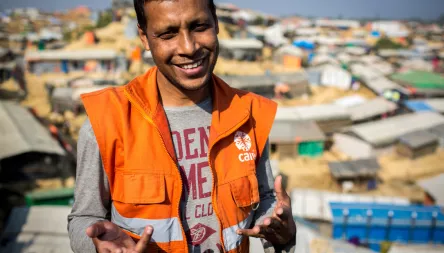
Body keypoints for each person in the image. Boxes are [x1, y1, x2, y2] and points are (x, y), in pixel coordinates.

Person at [67, 0, 296, 252]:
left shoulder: (246, 114)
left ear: (216, 23)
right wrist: (97, 246)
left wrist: (279, 232)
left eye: (199, 27)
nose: (189, 47)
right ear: (144, 37)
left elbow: (265, 201)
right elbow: (83, 218)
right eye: (168, 34)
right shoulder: (107, 122)